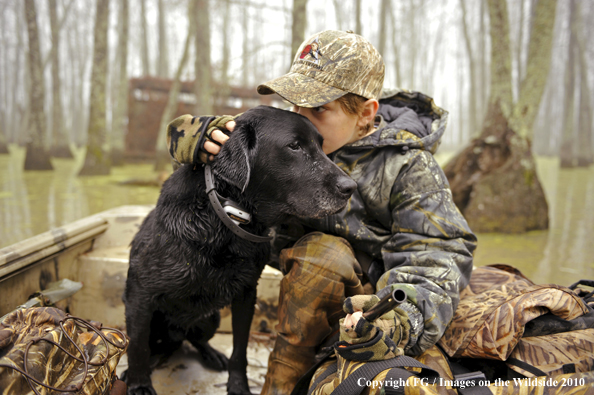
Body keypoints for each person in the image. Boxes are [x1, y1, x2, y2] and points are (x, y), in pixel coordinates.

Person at [166, 30, 477, 395]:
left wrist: (396, 316)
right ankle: (284, 377)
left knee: (322, 254)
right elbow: (205, 152)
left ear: (365, 114)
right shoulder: (288, 142)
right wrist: (195, 137)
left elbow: (438, 253)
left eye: (318, 109)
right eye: (296, 104)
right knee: (315, 256)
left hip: (371, 309)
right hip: (300, 298)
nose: (301, 118)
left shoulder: (408, 168)